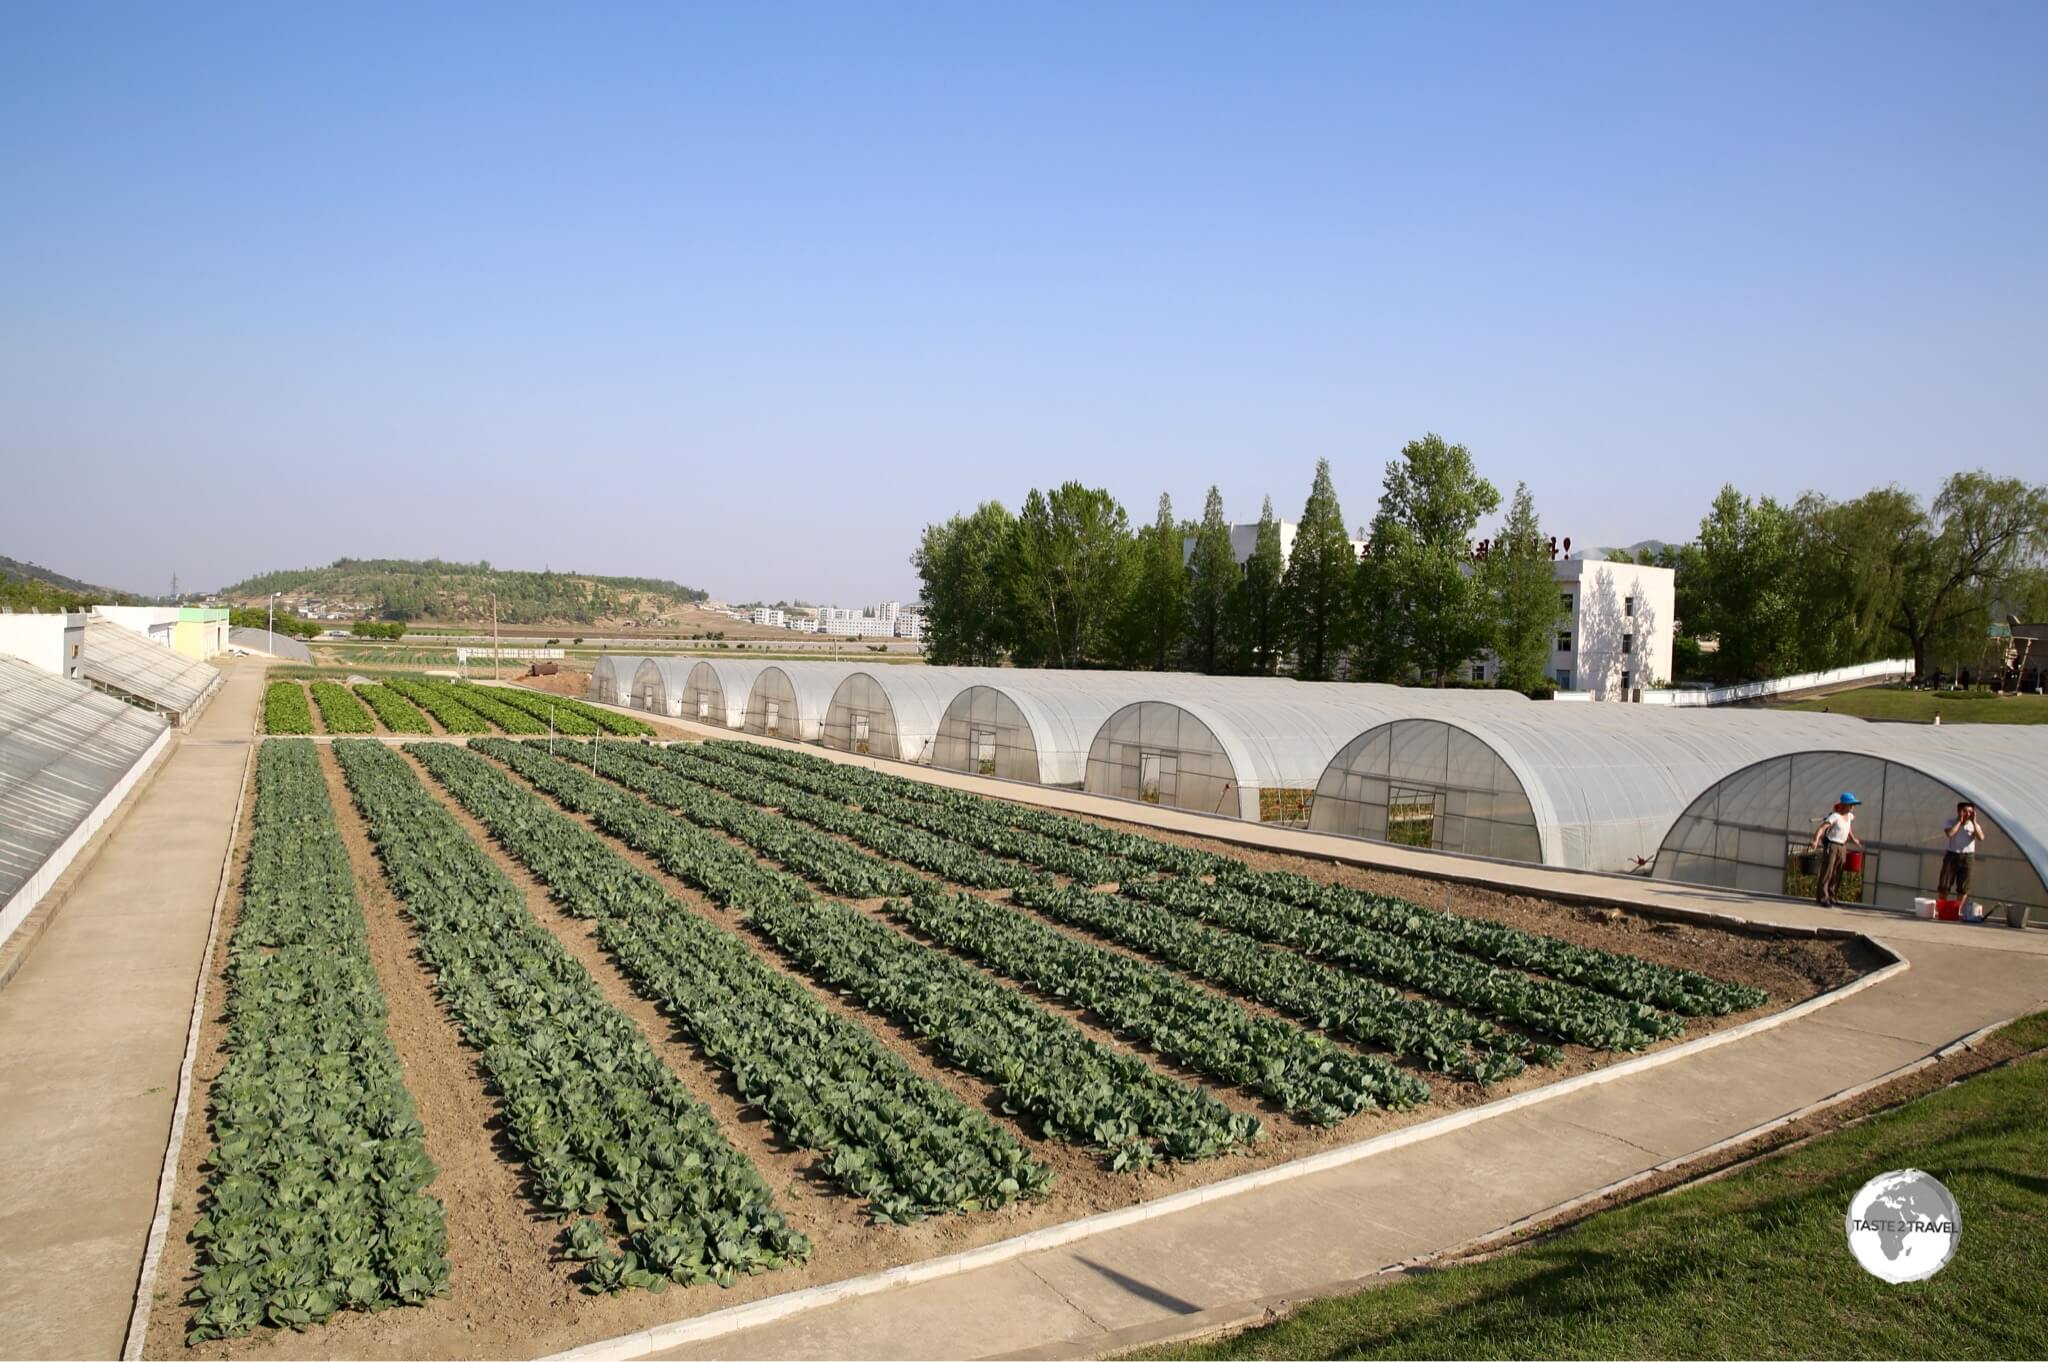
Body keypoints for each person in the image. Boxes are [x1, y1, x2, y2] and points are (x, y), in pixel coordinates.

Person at [1809, 792, 1863, 908]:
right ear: (1845, 804)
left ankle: (1831, 896)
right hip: (1832, 846)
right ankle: (1823, 898)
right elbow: (1822, 828)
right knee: (1827, 872)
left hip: (1842, 846)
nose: (1853, 807)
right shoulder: (1835, 816)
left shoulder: (1849, 816)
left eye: (1854, 805)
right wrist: (1815, 840)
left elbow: (1848, 829)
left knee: (1837, 873)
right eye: (1852, 804)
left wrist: (1853, 839)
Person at [1939, 801, 1983, 900]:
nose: (1968, 814)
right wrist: (1959, 821)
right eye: (1965, 811)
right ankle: (1942, 907)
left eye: (1971, 812)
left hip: (1968, 857)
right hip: (1952, 855)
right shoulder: (1950, 822)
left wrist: (1974, 822)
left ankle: (1958, 910)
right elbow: (1950, 834)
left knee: (1964, 886)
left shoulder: (1974, 825)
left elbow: (1981, 837)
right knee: (1945, 884)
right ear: (1959, 811)